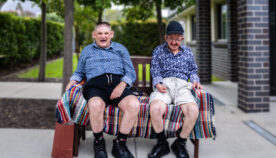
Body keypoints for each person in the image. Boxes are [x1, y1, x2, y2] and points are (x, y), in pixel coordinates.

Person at [66, 22, 140, 158]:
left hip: (119, 85)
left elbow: (130, 73)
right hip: (95, 87)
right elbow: (79, 72)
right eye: (100, 33)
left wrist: (121, 86)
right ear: (94, 35)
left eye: (106, 33)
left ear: (111, 34)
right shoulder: (87, 50)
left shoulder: (120, 49)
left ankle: (120, 144)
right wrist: (72, 82)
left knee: (134, 105)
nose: (103, 36)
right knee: (95, 105)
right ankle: (99, 143)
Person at [148, 21, 203, 158]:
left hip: (182, 86)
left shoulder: (188, 52)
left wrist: (195, 80)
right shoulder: (158, 51)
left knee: (193, 110)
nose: (174, 42)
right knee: (155, 109)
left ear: (182, 39)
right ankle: (162, 143)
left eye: (177, 39)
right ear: (166, 38)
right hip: (164, 85)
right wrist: (158, 83)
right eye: (171, 38)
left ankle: (180, 142)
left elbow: (193, 70)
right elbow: (155, 70)